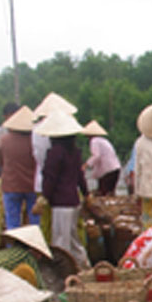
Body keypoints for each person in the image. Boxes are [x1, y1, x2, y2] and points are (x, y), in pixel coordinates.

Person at [38, 111, 90, 270]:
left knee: (61, 241)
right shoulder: (74, 152)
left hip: (61, 202)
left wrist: (43, 199)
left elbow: (50, 179)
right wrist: (86, 194)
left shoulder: (55, 153)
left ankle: (64, 272)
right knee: (74, 239)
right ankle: (84, 266)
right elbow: (80, 176)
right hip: (73, 200)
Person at [0, 105, 40, 230]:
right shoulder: (35, 140)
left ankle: (13, 247)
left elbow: (0, 162)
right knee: (35, 221)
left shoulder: (4, 140)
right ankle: (36, 246)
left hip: (11, 185)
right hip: (32, 185)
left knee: (12, 221)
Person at [0, 223, 53, 287]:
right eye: (39, 252)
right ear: (32, 249)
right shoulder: (26, 256)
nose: (40, 257)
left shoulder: (2, 253)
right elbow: (40, 288)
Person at [82, 120, 121, 196]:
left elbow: (96, 156)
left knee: (104, 194)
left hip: (108, 170)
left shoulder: (94, 141)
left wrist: (85, 165)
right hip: (115, 168)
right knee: (109, 193)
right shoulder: (103, 140)